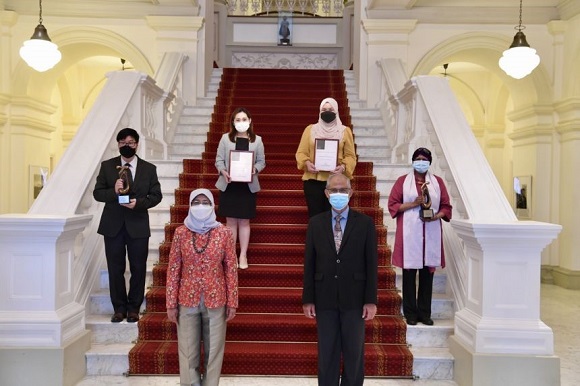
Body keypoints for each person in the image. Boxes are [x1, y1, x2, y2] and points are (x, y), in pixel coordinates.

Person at [302, 173, 378, 386]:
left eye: (342, 190)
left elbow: (372, 263)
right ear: (326, 194)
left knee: (354, 355)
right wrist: (308, 298)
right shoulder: (315, 224)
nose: (338, 194)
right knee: (327, 354)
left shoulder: (364, 223)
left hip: (355, 299)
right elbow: (309, 262)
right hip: (324, 297)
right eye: (334, 190)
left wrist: (370, 300)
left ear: (351, 193)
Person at [166, 188, 238, 386]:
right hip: (187, 299)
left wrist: (233, 301)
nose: (200, 206)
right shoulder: (181, 232)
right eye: (195, 202)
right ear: (189, 206)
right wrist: (171, 303)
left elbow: (231, 268)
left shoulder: (224, 232)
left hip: (216, 300)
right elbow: (173, 269)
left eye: (204, 202)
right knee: (188, 353)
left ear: (213, 205)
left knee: (214, 352)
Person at [93, 127, 162, 323]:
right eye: (123, 143)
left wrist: (138, 204)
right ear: (118, 145)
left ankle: (133, 308)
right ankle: (119, 309)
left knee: (138, 267)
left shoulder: (149, 169)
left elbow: (156, 196)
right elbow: (97, 194)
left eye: (131, 143)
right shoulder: (107, 166)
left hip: (138, 224)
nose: (127, 146)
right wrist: (113, 192)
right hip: (112, 225)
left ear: (137, 144)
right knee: (115, 268)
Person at [387, 147, 452, 326]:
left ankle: (425, 313)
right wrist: (413, 204)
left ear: (429, 162)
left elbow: (446, 207)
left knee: (427, 275)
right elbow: (393, 205)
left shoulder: (437, 182)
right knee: (409, 275)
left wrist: (435, 217)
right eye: (418, 159)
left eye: (424, 159)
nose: (421, 162)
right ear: (413, 161)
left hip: (430, 234)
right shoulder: (402, 182)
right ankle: (410, 313)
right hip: (410, 235)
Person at [215, 107, 266, 269]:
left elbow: (261, 161)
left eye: (244, 119)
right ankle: (231, 256)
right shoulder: (225, 139)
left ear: (250, 121)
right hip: (229, 184)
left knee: (244, 221)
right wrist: (223, 171)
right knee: (230, 221)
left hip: (247, 186)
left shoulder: (257, 140)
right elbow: (219, 160)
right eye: (238, 120)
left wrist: (255, 169)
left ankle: (243, 255)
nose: (241, 122)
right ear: (233, 122)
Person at [296, 97, 357, 218]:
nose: (327, 111)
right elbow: (301, 152)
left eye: (330, 109)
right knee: (315, 217)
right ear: (319, 111)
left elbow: (350, 156)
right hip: (313, 181)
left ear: (337, 111)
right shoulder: (310, 130)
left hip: (336, 181)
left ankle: (335, 238)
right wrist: (306, 163)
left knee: (335, 216)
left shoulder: (345, 131)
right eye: (324, 109)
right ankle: (317, 237)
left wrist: (343, 167)